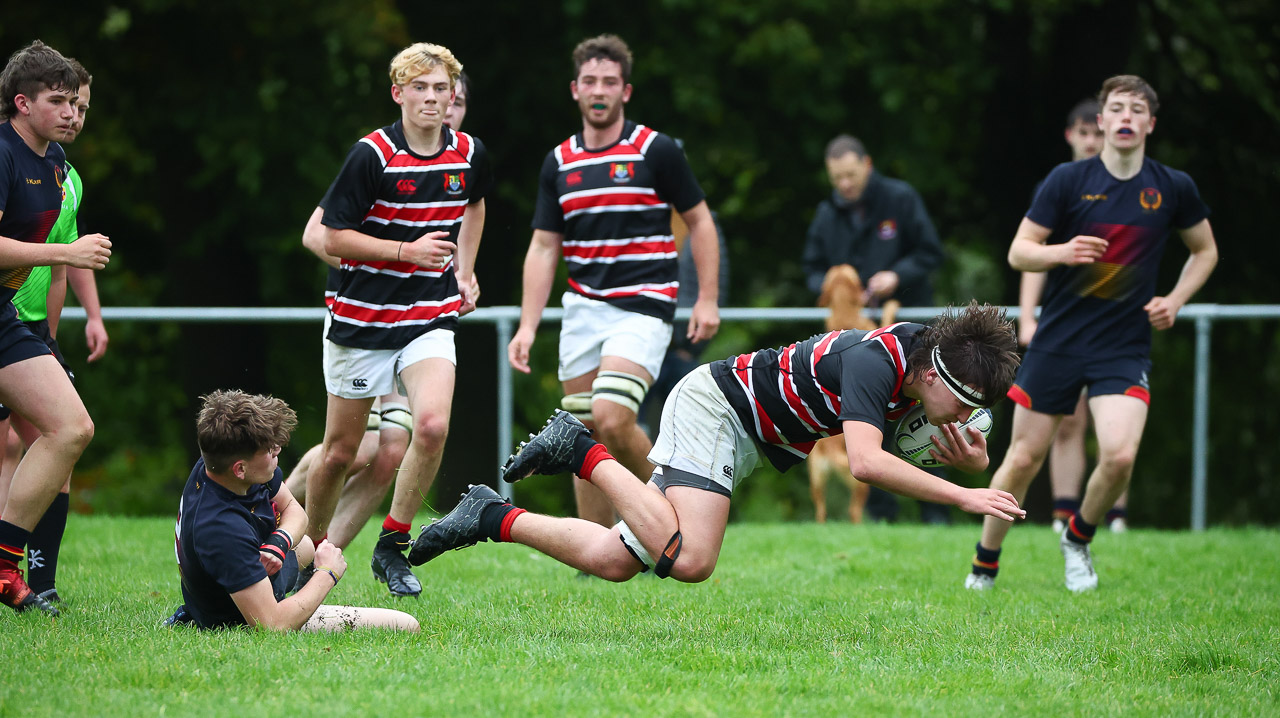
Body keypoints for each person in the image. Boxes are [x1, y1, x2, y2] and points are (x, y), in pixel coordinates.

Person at [412, 303, 1025, 584]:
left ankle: (490, 516)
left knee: (617, 561)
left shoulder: (926, 356)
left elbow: (911, 442)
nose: (968, 418)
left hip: (746, 434)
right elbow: (865, 463)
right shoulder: (876, 363)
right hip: (718, 407)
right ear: (931, 374)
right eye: (968, 405)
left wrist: (974, 463)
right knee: (691, 560)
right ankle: (579, 448)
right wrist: (963, 497)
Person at [964, 75, 1219, 593]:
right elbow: (1019, 252)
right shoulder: (1066, 180)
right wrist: (1063, 252)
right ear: (1101, 122)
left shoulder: (1172, 187)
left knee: (1121, 455)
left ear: (1150, 123)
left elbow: (1205, 251)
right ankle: (984, 565)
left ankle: (1077, 538)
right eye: (1117, 109)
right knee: (1024, 459)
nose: (1126, 117)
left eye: (1137, 110)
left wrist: (1174, 299)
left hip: (1123, 346)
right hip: (1059, 340)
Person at [506, 34, 721, 531]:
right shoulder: (560, 162)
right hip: (584, 306)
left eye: (609, 82)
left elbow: (701, 221)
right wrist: (526, 326)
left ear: (625, 91)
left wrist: (706, 298)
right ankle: (599, 553)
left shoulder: (655, 150)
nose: (598, 90)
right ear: (575, 90)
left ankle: (676, 517)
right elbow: (542, 247)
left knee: (613, 416)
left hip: (645, 303)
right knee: (581, 430)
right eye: (589, 81)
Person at [303, 42, 490, 598]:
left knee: (430, 426)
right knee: (340, 452)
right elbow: (330, 235)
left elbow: (475, 204)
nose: (431, 99)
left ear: (453, 95)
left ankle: (392, 545)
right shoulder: (372, 155)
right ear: (398, 93)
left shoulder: (470, 153)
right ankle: (308, 553)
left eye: (441, 89)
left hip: (429, 314)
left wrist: (465, 270)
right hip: (362, 318)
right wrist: (407, 252)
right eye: (420, 88)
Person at [0, 40, 111, 616]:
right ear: (22, 103)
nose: (72, 113)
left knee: (69, 429)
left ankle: (7, 563)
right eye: (59, 101)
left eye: (77, 103)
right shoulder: (1, 155)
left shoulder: (53, 166)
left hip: (9, 318)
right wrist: (63, 252)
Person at [168, 390, 417, 632]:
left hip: (236, 583)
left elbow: (293, 509)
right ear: (240, 469)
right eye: (268, 451)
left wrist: (278, 543)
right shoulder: (223, 530)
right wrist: (327, 573)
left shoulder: (217, 465)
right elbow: (273, 625)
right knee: (405, 625)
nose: (277, 450)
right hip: (238, 618)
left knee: (306, 545)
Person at [801, 134, 948, 523]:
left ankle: (937, 514)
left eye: (850, 175)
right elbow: (811, 267)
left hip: (911, 335)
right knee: (869, 421)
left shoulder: (901, 199)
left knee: (927, 417)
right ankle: (882, 516)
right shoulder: (826, 213)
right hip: (856, 342)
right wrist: (832, 286)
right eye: (837, 178)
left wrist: (895, 276)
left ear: (866, 165)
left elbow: (931, 251)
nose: (844, 185)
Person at [1019, 99, 1129, 533]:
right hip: (1063, 323)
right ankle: (1063, 515)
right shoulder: (1058, 185)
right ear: (1070, 135)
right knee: (1068, 420)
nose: (1090, 141)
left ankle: (1114, 518)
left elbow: (1129, 260)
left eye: (1096, 133)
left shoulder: (1128, 186)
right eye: (1082, 133)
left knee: (1114, 425)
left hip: (1112, 322)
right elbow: (1032, 254)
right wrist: (1028, 319)